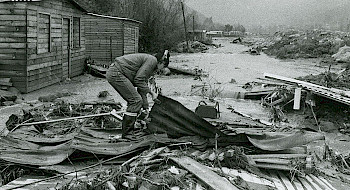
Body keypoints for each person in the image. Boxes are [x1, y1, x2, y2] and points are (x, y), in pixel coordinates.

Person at [106, 51, 168, 138]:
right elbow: (138, 79)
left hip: (116, 72)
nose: (160, 70)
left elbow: (141, 88)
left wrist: (146, 107)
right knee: (135, 101)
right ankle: (127, 134)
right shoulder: (152, 61)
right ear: (162, 62)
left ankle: (128, 131)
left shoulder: (150, 65)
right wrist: (152, 93)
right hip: (116, 72)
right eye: (163, 67)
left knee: (136, 100)